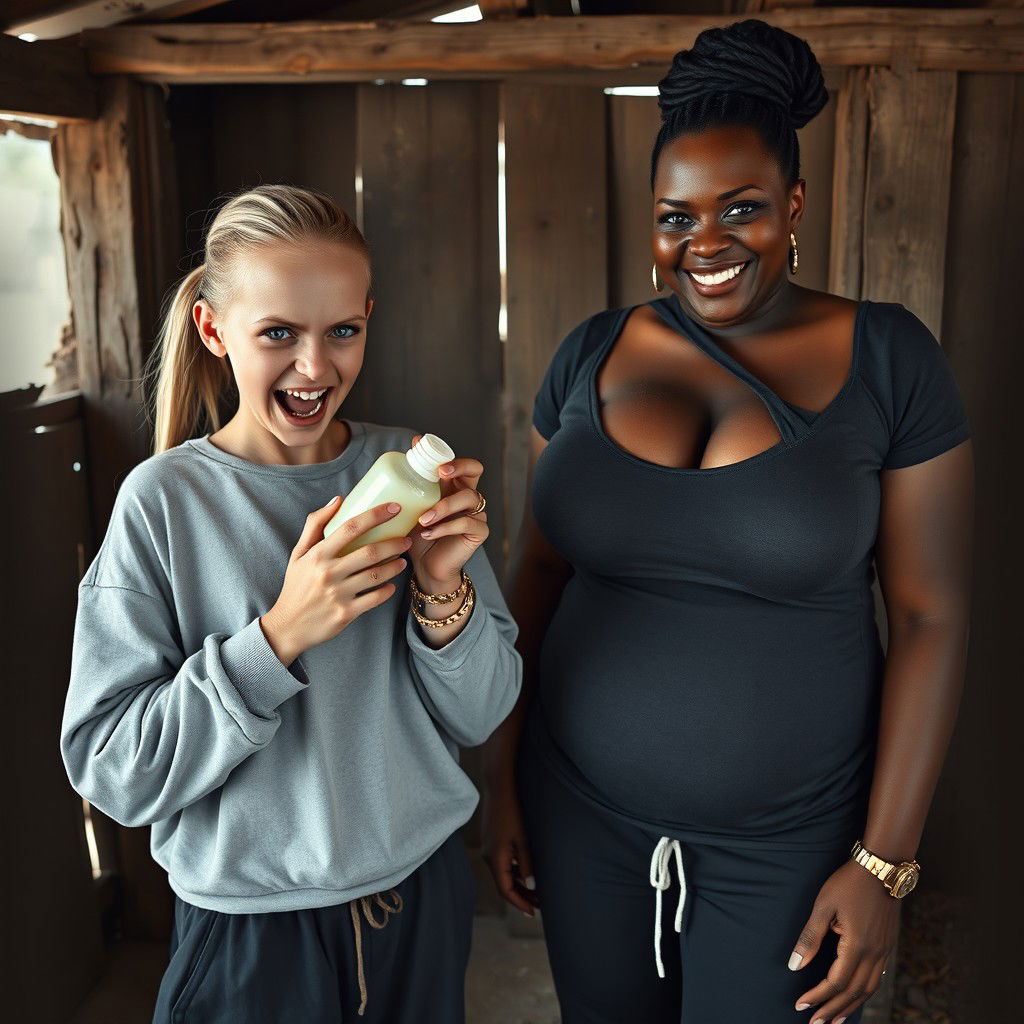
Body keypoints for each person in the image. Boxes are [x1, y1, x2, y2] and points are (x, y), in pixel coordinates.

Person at [482, 19, 973, 1024]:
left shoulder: (888, 359)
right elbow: (535, 573)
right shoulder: (589, 353)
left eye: (740, 209)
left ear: (794, 205)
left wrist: (882, 864)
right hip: (579, 815)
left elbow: (930, 618)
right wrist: (500, 781)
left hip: (789, 842)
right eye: (675, 216)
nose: (703, 245)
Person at [59, 184, 522, 1024]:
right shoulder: (163, 502)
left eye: (343, 330)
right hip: (248, 936)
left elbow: (484, 712)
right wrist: (275, 641)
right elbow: (112, 770)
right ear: (213, 328)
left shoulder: (405, 472)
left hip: (421, 908)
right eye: (279, 333)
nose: (317, 368)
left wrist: (444, 589)